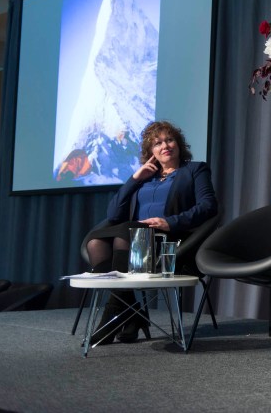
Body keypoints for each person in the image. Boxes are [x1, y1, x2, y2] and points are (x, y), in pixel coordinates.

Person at [85, 121, 218, 344]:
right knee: (95, 242)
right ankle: (130, 312)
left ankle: (115, 314)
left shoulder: (194, 170)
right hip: (134, 236)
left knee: (124, 235)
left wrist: (169, 222)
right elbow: (114, 214)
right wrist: (135, 179)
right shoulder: (146, 177)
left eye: (169, 140)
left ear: (179, 144)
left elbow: (208, 206)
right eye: (157, 143)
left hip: (169, 242)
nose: (165, 145)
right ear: (151, 152)